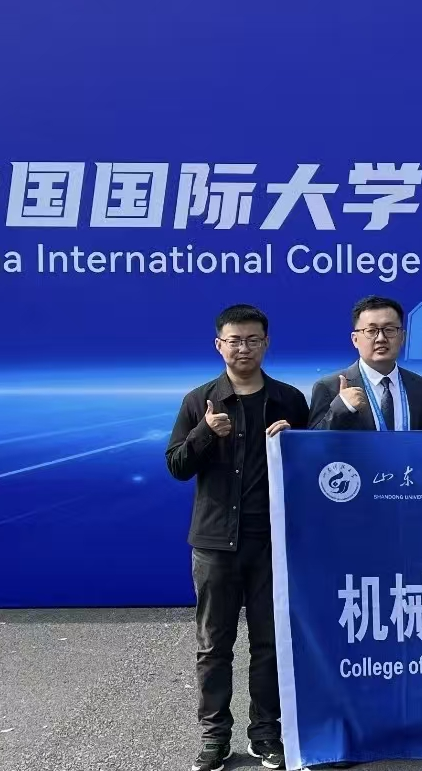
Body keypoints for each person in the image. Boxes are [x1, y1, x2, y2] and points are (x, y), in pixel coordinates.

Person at [165, 304, 309, 771]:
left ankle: (266, 735)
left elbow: (312, 471)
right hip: (214, 544)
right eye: (234, 340)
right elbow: (176, 466)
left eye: (252, 340)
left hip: (270, 542)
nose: (243, 348)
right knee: (214, 646)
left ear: (266, 343)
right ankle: (215, 737)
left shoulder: (289, 400)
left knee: (269, 643)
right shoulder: (199, 400)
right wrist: (205, 433)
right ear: (219, 345)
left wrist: (294, 441)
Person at [309, 295, 422, 431]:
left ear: (402, 337)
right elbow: (313, 441)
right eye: (371, 331)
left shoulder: (421, 387)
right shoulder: (328, 387)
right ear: (355, 339)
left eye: (389, 330)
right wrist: (342, 407)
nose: (381, 338)